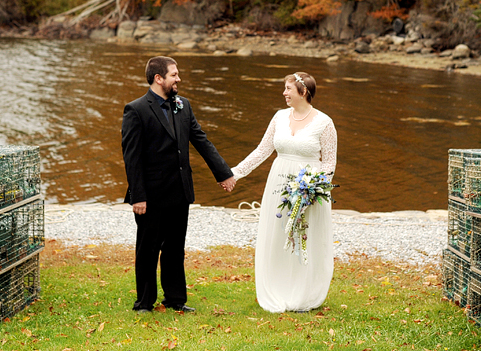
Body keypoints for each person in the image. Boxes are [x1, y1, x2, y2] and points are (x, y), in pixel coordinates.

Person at [122, 56, 237, 314]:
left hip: (180, 191)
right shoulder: (136, 109)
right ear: (158, 78)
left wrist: (224, 173)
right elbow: (132, 158)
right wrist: (138, 195)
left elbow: (201, 140)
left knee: (175, 249)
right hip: (150, 195)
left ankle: (175, 299)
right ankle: (144, 302)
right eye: (174, 74)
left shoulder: (183, 105)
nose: (179, 78)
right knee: (148, 249)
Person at [231, 71, 337, 313]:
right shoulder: (279, 117)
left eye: (288, 89)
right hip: (279, 183)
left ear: (304, 92)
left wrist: (314, 188)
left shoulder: (325, 123)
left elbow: (329, 163)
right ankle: (277, 288)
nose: (284, 93)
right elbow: (262, 151)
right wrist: (235, 173)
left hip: (309, 188)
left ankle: (304, 293)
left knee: (304, 237)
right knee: (279, 235)